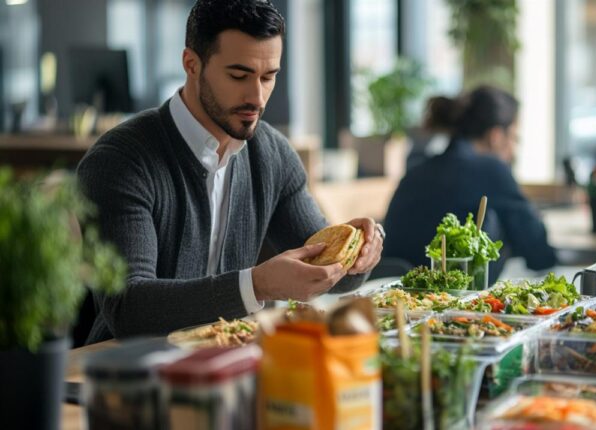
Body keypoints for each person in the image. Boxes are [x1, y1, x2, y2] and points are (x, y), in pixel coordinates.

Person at [77, 0, 383, 342]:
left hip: (230, 365)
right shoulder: (120, 160)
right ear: (191, 64)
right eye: (239, 75)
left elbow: (325, 271)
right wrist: (257, 284)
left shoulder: (273, 154)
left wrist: (361, 254)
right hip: (128, 375)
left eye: (268, 77)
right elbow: (128, 310)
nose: (257, 97)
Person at [383, 86, 557, 281]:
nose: (514, 151)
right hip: (447, 302)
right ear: (496, 136)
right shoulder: (492, 169)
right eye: (514, 138)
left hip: (394, 294)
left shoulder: (416, 170)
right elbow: (541, 256)